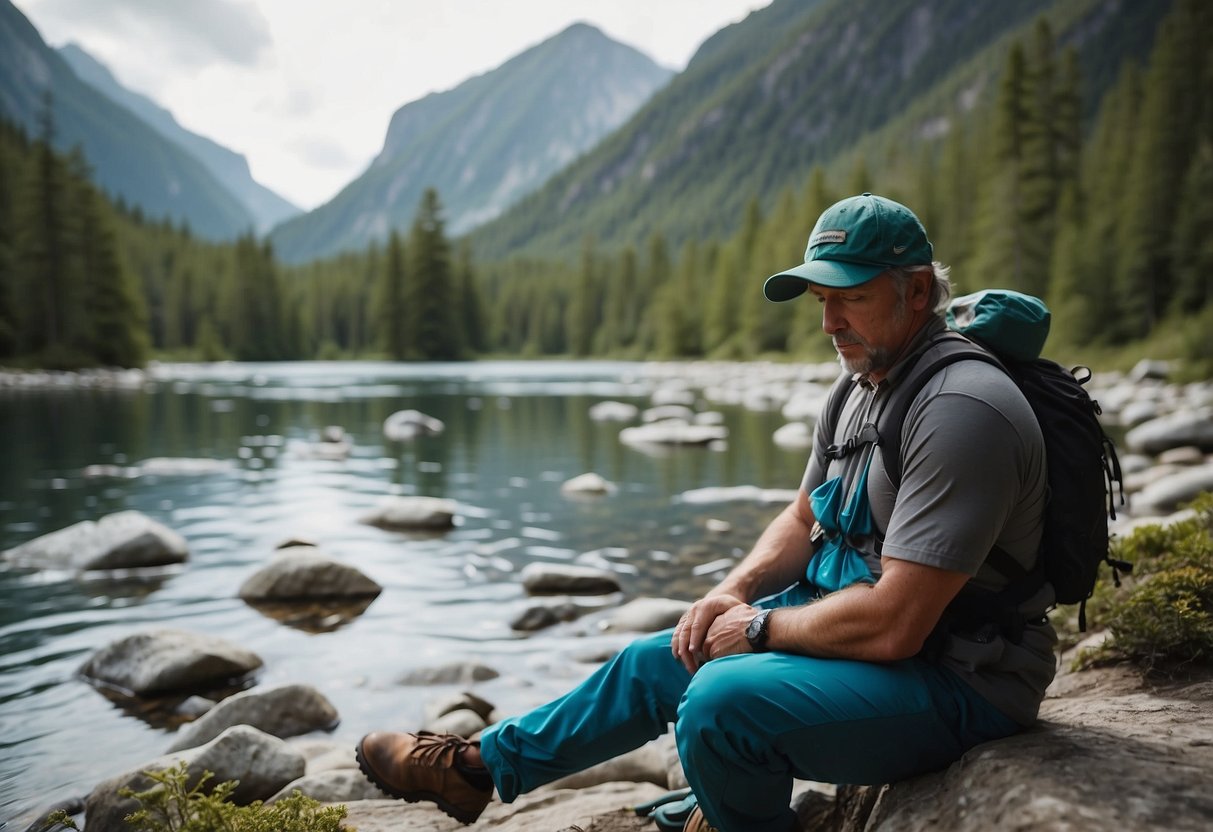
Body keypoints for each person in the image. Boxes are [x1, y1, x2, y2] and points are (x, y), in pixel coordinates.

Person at [356, 193, 1055, 832]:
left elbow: (899, 622)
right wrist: (733, 591)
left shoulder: (960, 409)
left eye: (852, 296)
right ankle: (474, 771)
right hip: (876, 644)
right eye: (819, 298)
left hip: (962, 682)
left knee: (721, 702)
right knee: (653, 659)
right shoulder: (862, 382)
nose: (828, 321)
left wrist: (758, 629)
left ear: (917, 292)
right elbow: (800, 516)